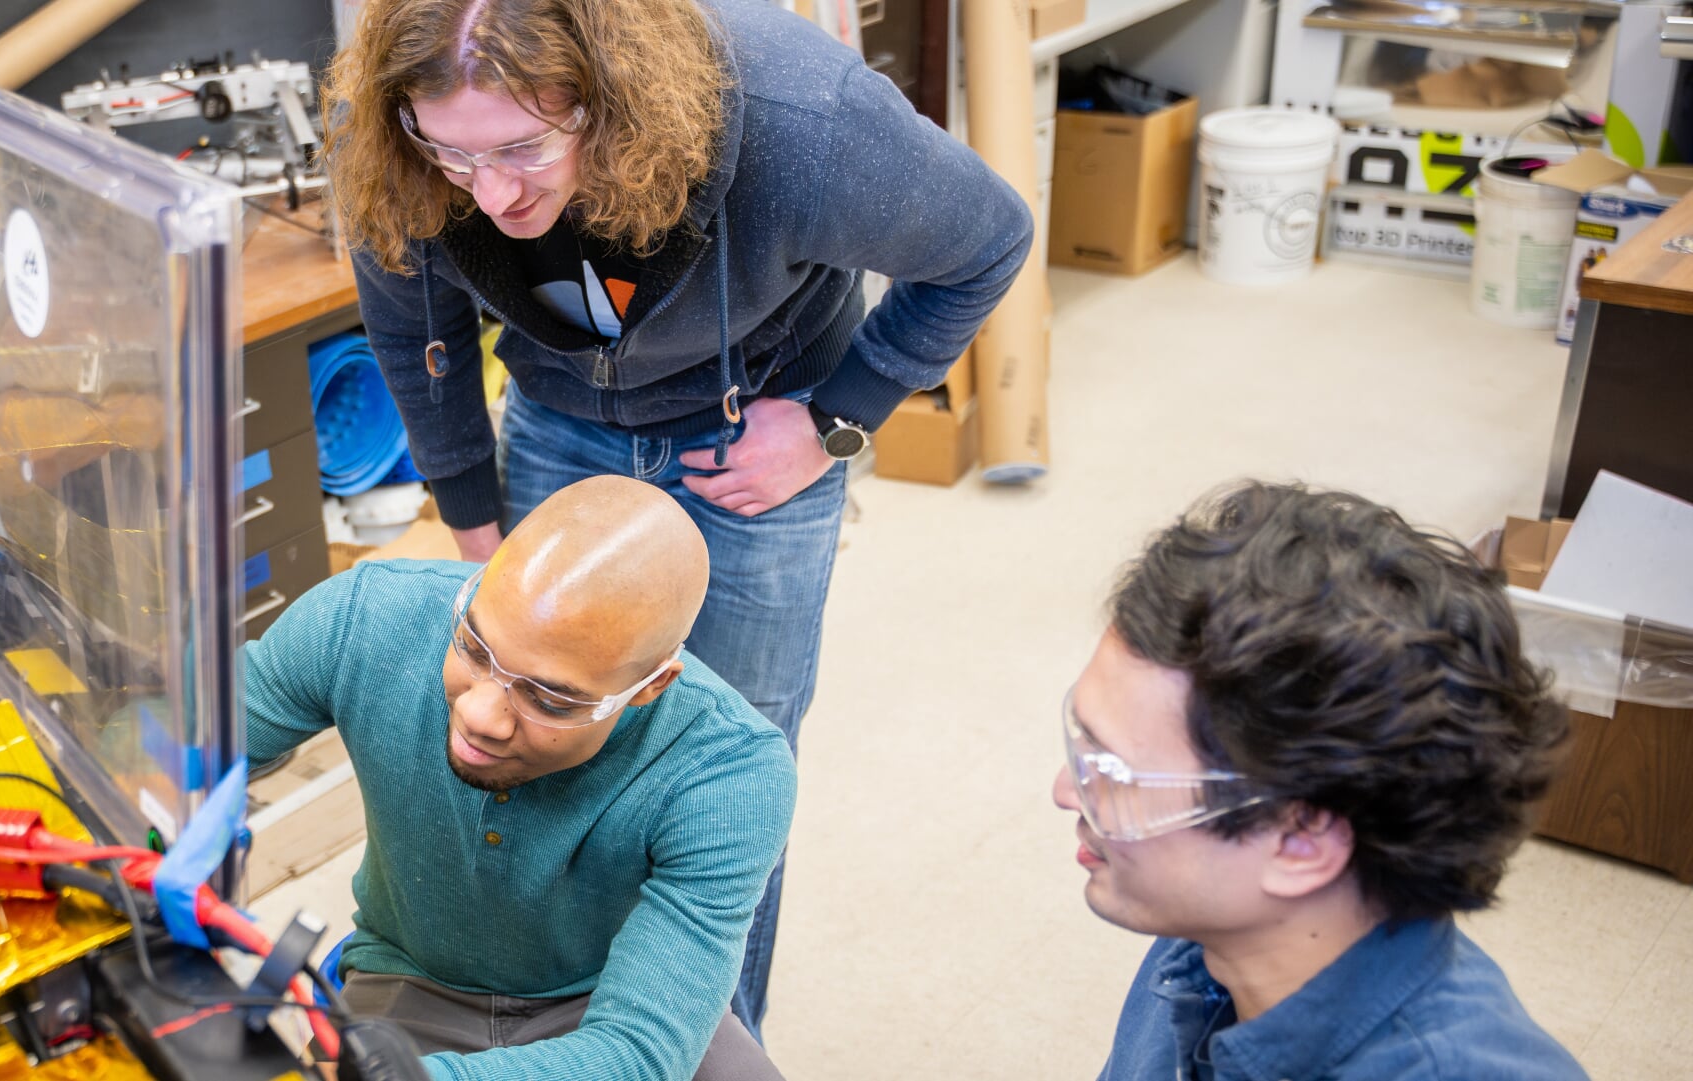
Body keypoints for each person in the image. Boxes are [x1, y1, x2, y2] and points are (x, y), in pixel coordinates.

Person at [324, 0, 1032, 1028]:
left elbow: (989, 240)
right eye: (455, 156)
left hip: (753, 437)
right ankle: (563, 1021)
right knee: (544, 720)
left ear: (610, 98)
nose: (493, 192)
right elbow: (412, 328)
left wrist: (838, 416)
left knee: (724, 758)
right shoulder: (394, 129)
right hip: (560, 415)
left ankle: (706, 1043)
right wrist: (470, 509)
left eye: (524, 146)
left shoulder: (803, 118)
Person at [242, 476, 793, 1081]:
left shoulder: (732, 771)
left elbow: (638, 1054)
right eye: (475, 648)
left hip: (604, 997)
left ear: (651, 686)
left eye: (551, 699)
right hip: (411, 977)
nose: (480, 716)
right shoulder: (362, 617)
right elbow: (186, 747)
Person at [1055, 482, 1585, 1080]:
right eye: (1082, 747)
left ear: (1300, 840)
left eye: (1113, 772)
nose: (1064, 790)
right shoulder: (1212, 943)